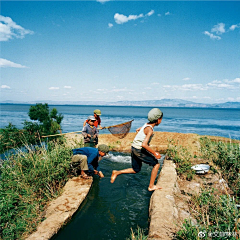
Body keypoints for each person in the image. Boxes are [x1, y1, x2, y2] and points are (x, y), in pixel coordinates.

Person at [110, 108, 163, 191]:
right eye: (161, 119)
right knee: (156, 164)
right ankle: (151, 186)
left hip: (134, 148)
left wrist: (140, 132)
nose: (161, 121)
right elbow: (144, 145)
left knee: (136, 169)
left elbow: (138, 129)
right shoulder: (149, 130)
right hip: (139, 150)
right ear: (158, 120)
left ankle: (117, 172)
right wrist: (155, 153)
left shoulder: (146, 125)